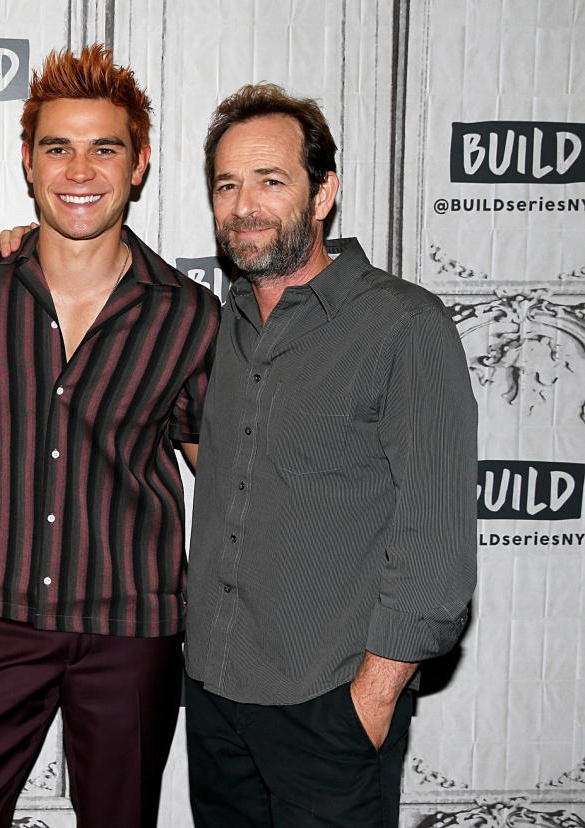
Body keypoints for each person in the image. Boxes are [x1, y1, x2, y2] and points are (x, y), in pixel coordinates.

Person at [0, 46, 220, 828]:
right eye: (58, 147)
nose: (79, 170)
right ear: (28, 162)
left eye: (104, 148)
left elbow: (219, 469)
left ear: (140, 163)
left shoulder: (188, 314)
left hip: (133, 631)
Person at [182, 83, 477, 827]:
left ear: (323, 194)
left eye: (270, 180)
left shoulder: (404, 325)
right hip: (215, 696)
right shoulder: (214, 328)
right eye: (227, 184)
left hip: (330, 703)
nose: (244, 204)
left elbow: (436, 547)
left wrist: (371, 700)